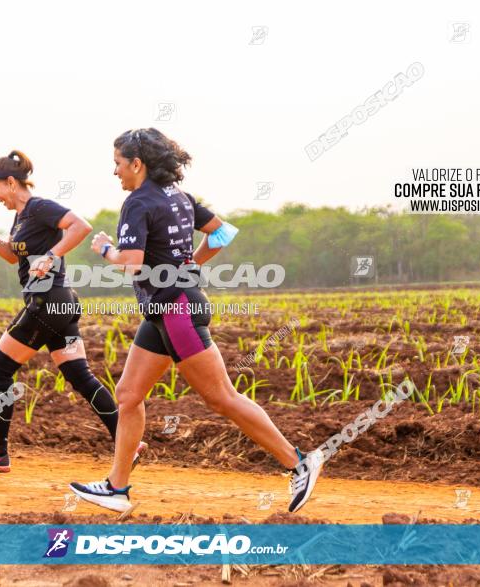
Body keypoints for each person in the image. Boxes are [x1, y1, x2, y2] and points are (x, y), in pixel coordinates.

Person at [69, 129, 324, 513]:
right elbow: (222, 232)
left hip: (176, 314)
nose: (115, 172)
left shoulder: (138, 203)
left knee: (222, 397)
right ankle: (117, 488)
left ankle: (298, 462)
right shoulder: (180, 197)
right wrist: (191, 263)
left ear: (137, 165)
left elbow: (131, 263)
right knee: (128, 395)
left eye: (118, 164)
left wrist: (106, 248)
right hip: (164, 312)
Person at [0, 149, 145, 472]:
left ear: (11, 182)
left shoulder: (39, 207)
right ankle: (127, 441)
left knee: (0, 368)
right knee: (80, 376)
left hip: (47, 302)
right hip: (60, 304)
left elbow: (80, 226)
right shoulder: (22, 218)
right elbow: (12, 257)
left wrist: (51, 256)